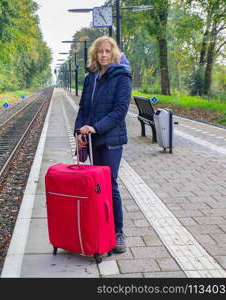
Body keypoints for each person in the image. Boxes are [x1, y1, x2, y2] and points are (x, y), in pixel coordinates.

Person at [74, 36, 132, 253]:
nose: (104, 55)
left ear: (114, 53)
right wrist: (79, 131)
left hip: (111, 139)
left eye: (108, 51)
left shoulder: (122, 76)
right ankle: (101, 229)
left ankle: (118, 233)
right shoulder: (91, 78)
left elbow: (119, 111)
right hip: (92, 139)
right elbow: (83, 108)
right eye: (100, 52)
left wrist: (96, 128)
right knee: (96, 187)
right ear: (95, 54)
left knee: (110, 184)